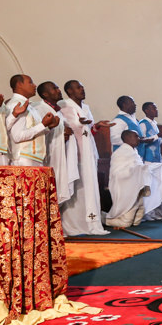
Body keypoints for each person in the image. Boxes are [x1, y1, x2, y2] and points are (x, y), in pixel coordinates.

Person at [59, 79, 109, 236]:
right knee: (78, 188)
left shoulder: (85, 107)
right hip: (77, 154)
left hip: (88, 152)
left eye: (82, 87)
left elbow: (88, 129)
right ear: (69, 91)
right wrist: (79, 123)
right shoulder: (64, 106)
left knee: (89, 186)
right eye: (78, 87)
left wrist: (97, 125)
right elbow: (66, 127)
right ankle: (73, 224)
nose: (82, 89)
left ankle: (91, 223)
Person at [5, 74, 59, 167]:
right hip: (23, 158)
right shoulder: (16, 104)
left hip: (33, 157)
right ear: (19, 84)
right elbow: (18, 136)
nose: (35, 85)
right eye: (30, 82)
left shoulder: (30, 106)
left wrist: (48, 126)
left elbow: (33, 130)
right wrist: (42, 124)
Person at [37, 80, 76, 205]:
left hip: (59, 155)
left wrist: (65, 132)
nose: (59, 90)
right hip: (47, 156)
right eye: (54, 88)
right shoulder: (38, 109)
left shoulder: (59, 111)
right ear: (45, 94)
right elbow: (38, 130)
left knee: (57, 188)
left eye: (58, 87)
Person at [106, 130, 150, 228]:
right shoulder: (120, 153)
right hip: (125, 187)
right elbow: (117, 173)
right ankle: (104, 219)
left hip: (136, 187)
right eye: (136, 136)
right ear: (127, 138)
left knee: (137, 219)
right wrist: (135, 170)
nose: (139, 139)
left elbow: (138, 167)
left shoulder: (134, 151)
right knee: (125, 223)